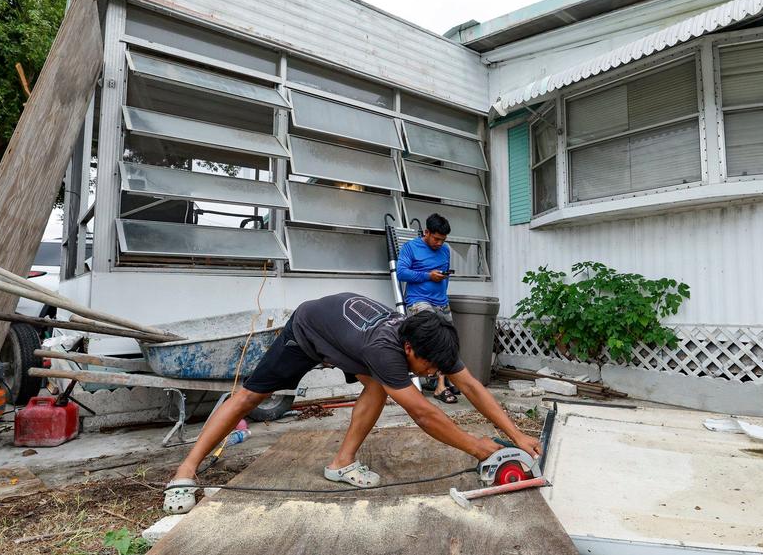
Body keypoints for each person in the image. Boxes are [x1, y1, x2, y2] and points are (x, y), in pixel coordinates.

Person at [163, 292, 541, 514]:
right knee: (250, 396)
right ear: (409, 348)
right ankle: (185, 470)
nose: (431, 373)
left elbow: (471, 386)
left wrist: (515, 436)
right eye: (427, 366)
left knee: (377, 386)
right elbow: (425, 414)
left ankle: (340, 463)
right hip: (309, 330)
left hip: (348, 338)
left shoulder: (428, 340)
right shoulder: (387, 350)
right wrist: (481, 449)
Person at [396, 213, 458, 403]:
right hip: (418, 301)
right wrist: (427, 276)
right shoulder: (410, 248)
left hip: (441, 300)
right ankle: (439, 387)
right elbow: (401, 272)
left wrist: (442, 294)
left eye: (443, 240)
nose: (439, 243)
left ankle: (441, 383)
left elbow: (444, 278)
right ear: (427, 232)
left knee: (448, 342)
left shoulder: (445, 250)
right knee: (433, 338)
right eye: (436, 238)